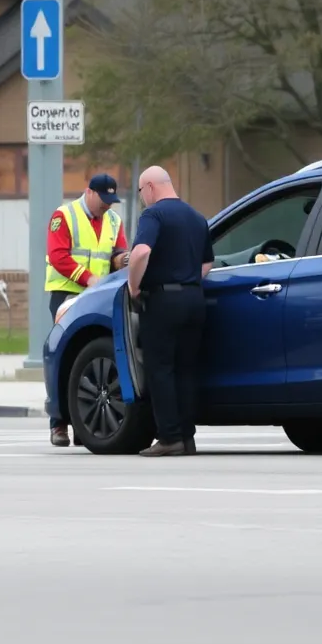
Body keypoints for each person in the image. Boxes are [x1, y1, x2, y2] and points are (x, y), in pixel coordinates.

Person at [126, 166, 212, 457]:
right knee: (186, 370)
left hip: (163, 302)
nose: (142, 199)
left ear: (149, 187)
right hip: (194, 300)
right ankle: (187, 438)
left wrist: (134, 286)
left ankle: (169, 437)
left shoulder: (154, 215)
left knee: (160, 369)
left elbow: (140, 252)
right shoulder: (197, 217)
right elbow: (206, 265)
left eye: (140, 192)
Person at [44, 173, 130, 447]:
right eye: (103, 200)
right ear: (89, 193)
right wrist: (88, 278)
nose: (107, 206)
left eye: (111, 201)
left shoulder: (114, 220)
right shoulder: (64, 216)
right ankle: (58, 424)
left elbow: (117, 255)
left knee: (93, 361)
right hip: (68, 294)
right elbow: (58, 256)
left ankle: (84, 425)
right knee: (67, 358)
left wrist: (123, 259)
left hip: (99, 298)